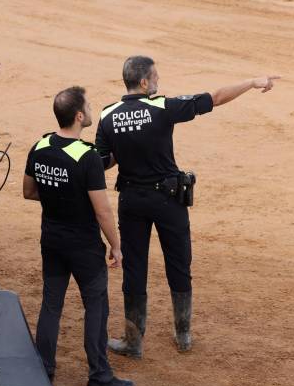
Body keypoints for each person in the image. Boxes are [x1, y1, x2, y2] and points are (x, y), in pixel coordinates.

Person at [96, 55, 279, 358]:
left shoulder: (107, 115)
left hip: (132, 200)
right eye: (155, 76)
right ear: (143, 82)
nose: (158, 81)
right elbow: (216, 98)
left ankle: (133, 342)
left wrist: (126, 146)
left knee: (135, 269)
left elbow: (103, 162)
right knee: (179, 264)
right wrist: (252, 82)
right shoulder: (163, 107)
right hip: (167, 200)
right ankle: (183, 335)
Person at [23, 86, 133, 386]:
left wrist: (59, 198)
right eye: (88, 105)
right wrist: (117, 245)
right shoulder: (86, 156)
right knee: (96, 306)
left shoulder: (39, 145)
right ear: (79, 115)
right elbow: (102, 211)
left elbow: (29, 191)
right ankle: (99, 375)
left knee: (51, 305)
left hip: (52, 239)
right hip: (83, 245)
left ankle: (44, 370)